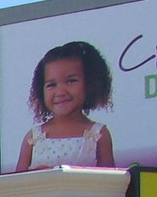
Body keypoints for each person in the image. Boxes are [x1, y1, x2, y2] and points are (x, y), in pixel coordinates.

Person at [12, 41, 115, 172]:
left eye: (71, 81)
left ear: (90, 83)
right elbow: (19, 183)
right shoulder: (34, 137)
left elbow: (109, 184)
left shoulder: (98, 134)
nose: (60, 92)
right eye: (51, 85)